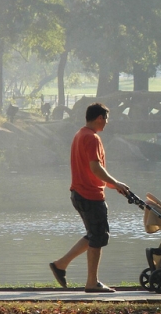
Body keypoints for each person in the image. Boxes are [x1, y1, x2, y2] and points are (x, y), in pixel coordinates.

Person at [49, 103, 129, 292]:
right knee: (99, 237)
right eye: (106, 119)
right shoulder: (92, 138)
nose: (107, 123)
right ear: (100, 118)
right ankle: (92, 282)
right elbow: (95, 167)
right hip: (89, 194)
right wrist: (116, 182)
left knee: (95, 235)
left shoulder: (79, 135)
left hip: (79, 193)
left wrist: (111, 185)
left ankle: (60, 265)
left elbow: (90, 169)